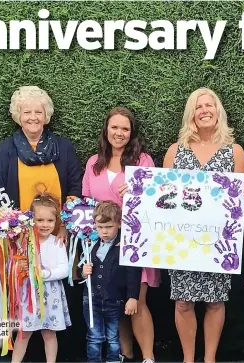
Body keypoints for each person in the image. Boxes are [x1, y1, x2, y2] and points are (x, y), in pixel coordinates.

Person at [162, 87, 244, 363]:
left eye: (209, 105)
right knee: (183, 301)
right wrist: (136, 191)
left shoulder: (234, 151)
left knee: (215, 301)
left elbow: (240, 202)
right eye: (198, 106)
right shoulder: (175, 151)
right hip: (181, 239)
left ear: (218, 112)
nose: (204, 110)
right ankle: (189, 359)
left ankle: (210, 359)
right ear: (191, 114)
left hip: (218, 240)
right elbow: (162, 193)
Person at [82, 106, 157, 363]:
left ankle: (148, 358)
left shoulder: (143, 161)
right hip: (103, 245)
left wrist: (138, 192)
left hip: (135, 242)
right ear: (106, 129)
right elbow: (85, 204)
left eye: (125, 128)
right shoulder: (94, 163)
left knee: (137, 302)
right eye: (114, 127)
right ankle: (125, 355)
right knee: (115, 304)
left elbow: (158, 200)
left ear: (132, 132)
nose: (119, 133)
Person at [0, 86, 82, 244]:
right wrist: (11, 228)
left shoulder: (64, 148)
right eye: (27, 112)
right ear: (18, 116)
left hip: (58, 237)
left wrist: (65, 226)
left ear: (46, 115)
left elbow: (75, 187)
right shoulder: (6, 150)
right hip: (19, 238)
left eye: (38, 112)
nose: (33, 117)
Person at [11, 193, 71, 363]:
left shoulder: (57, 242)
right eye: (40, 220)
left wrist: (41, 274)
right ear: (32, 220)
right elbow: (14, 266)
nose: (45, 225)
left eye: (50, 221)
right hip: (28, 294)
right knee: (24, 332)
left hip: (50, 295)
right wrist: (19, 268)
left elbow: (64, 270)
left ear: (56, 221)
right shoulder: (22, 242)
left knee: (49, 333)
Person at [81, 201, 141, 363]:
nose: (104, 231)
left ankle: (113, 360)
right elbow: (86, 273)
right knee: (94, 337)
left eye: (108, 227)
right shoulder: (92, 245)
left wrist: (132, 297)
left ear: (119, 224)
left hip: (113, 299)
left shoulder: (125, 246)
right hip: (92, 300)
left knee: (113, 336)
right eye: (100, 227)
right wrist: (84, 272)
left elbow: (133, 273)